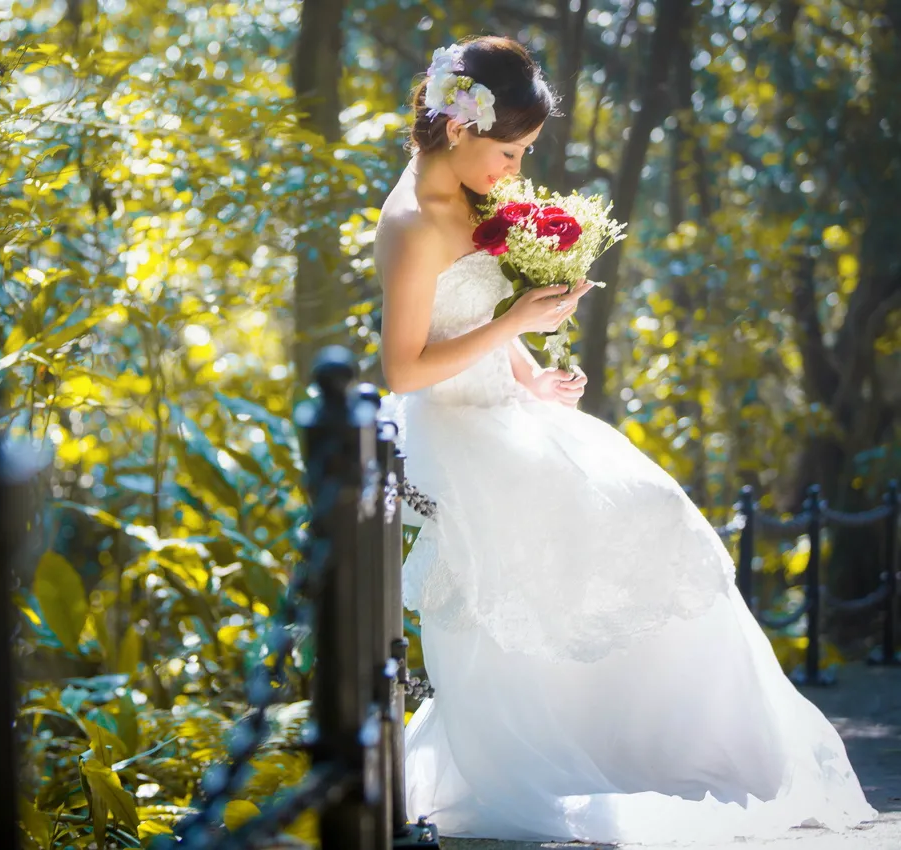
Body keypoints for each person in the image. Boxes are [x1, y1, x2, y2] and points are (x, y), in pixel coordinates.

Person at [375, 35, 877, 845]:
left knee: (650, 505)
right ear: (461, 129)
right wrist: (514, 322)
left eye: (524, 151)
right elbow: (403, 368)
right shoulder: (409, 222)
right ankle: (536, 757)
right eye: (510, 149)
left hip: (503, 408)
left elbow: (472, 318)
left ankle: (693, 750)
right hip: (455, 429)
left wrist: (530, 367)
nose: (515, 166)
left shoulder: (476, 199)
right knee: (547, 564)